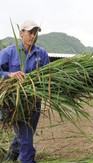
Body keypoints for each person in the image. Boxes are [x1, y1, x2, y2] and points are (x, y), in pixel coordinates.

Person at [0, 20, 50, 163]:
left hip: (34, 103)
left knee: (27, 134)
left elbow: (48, 77)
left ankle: (11, 155)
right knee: (26, 139)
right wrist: (9, 74)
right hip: (17, 104)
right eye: (29, 32)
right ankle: (28, 160)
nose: (32, 36)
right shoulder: (9, 52)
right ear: (21, 33)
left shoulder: (42, 54)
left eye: (35, 33)